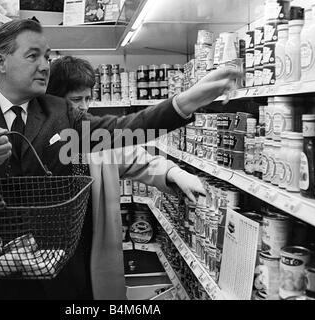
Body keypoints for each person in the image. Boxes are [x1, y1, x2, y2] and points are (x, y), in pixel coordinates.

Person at [0, 19, 240, 300]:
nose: (45, 65)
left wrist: (187, 101)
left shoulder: (61, 112)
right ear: (1, 61)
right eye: (33, 56)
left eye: (47, 56)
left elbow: (124, 130)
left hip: (52, 277)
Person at [46, 55, 206, 299]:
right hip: (51, 248)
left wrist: (175, 173)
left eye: (88, 98)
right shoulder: (40, 140)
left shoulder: (97, 137)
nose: (84, 106)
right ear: (55, 101)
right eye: (76, 100)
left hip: (92, 243)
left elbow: (141, 160)